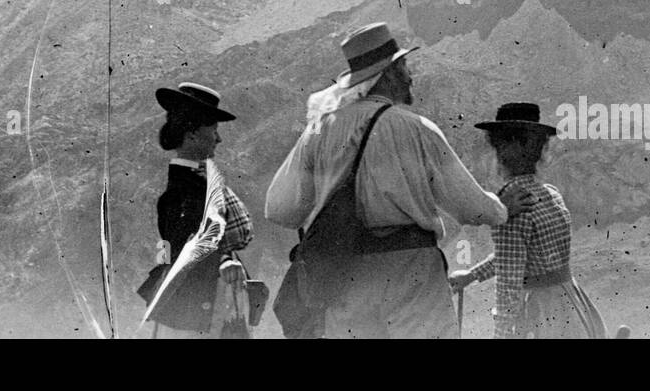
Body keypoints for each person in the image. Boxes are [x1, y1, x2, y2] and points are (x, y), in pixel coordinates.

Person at [265, 23, 537, 339]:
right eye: (405, 66)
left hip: (345, 274)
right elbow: (469, 207)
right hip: (412, 272)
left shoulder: (318, 130)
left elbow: (280, 209)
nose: (411, 76)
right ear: (392, 72)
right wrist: (501, 209)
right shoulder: (416, 128)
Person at [448, 102, 608, 339]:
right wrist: (471, 275)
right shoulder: (550, 193)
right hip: (570, 303)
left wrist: (501, 334)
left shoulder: (512, 204)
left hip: (540, 313)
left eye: (499, 143)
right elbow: (519, 256)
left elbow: (509, 281)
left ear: (510, 146)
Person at [137, 82, 254, 339]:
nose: (219, 138)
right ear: (191, 134)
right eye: (213, 129)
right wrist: (223, 260)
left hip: (195, 310)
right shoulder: (187, 191)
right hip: (198, 315)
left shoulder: (194, 184)